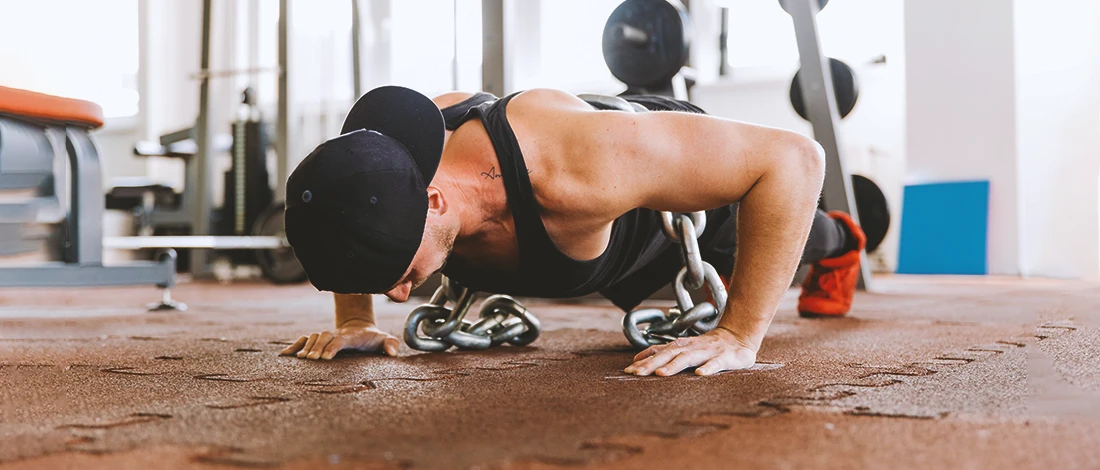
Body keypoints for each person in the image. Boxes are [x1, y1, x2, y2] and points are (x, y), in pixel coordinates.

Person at [278, 86, 867, 377]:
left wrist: (739, 335)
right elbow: (344, 212)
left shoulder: (579, 168)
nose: (401, 297)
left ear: (434, 202)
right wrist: (354, 319)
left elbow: (794, 158)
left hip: (669, 219)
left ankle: (845, 242)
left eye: (401, 274)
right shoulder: (379, 175)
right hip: (596, 245)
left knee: (787, 233)